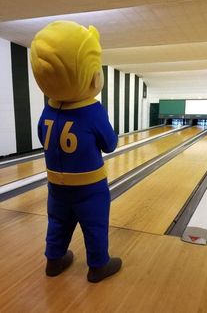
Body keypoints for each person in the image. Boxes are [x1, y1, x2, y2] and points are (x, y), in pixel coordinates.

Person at [30, 20, 122, 283]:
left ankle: (54, 260)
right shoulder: (92, 110)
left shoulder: (48, 110)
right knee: (94, 225)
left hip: (56, 185)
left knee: (58, 221)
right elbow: (110, 143)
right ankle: (98, 266)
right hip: (89, 186)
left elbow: (42, 136)